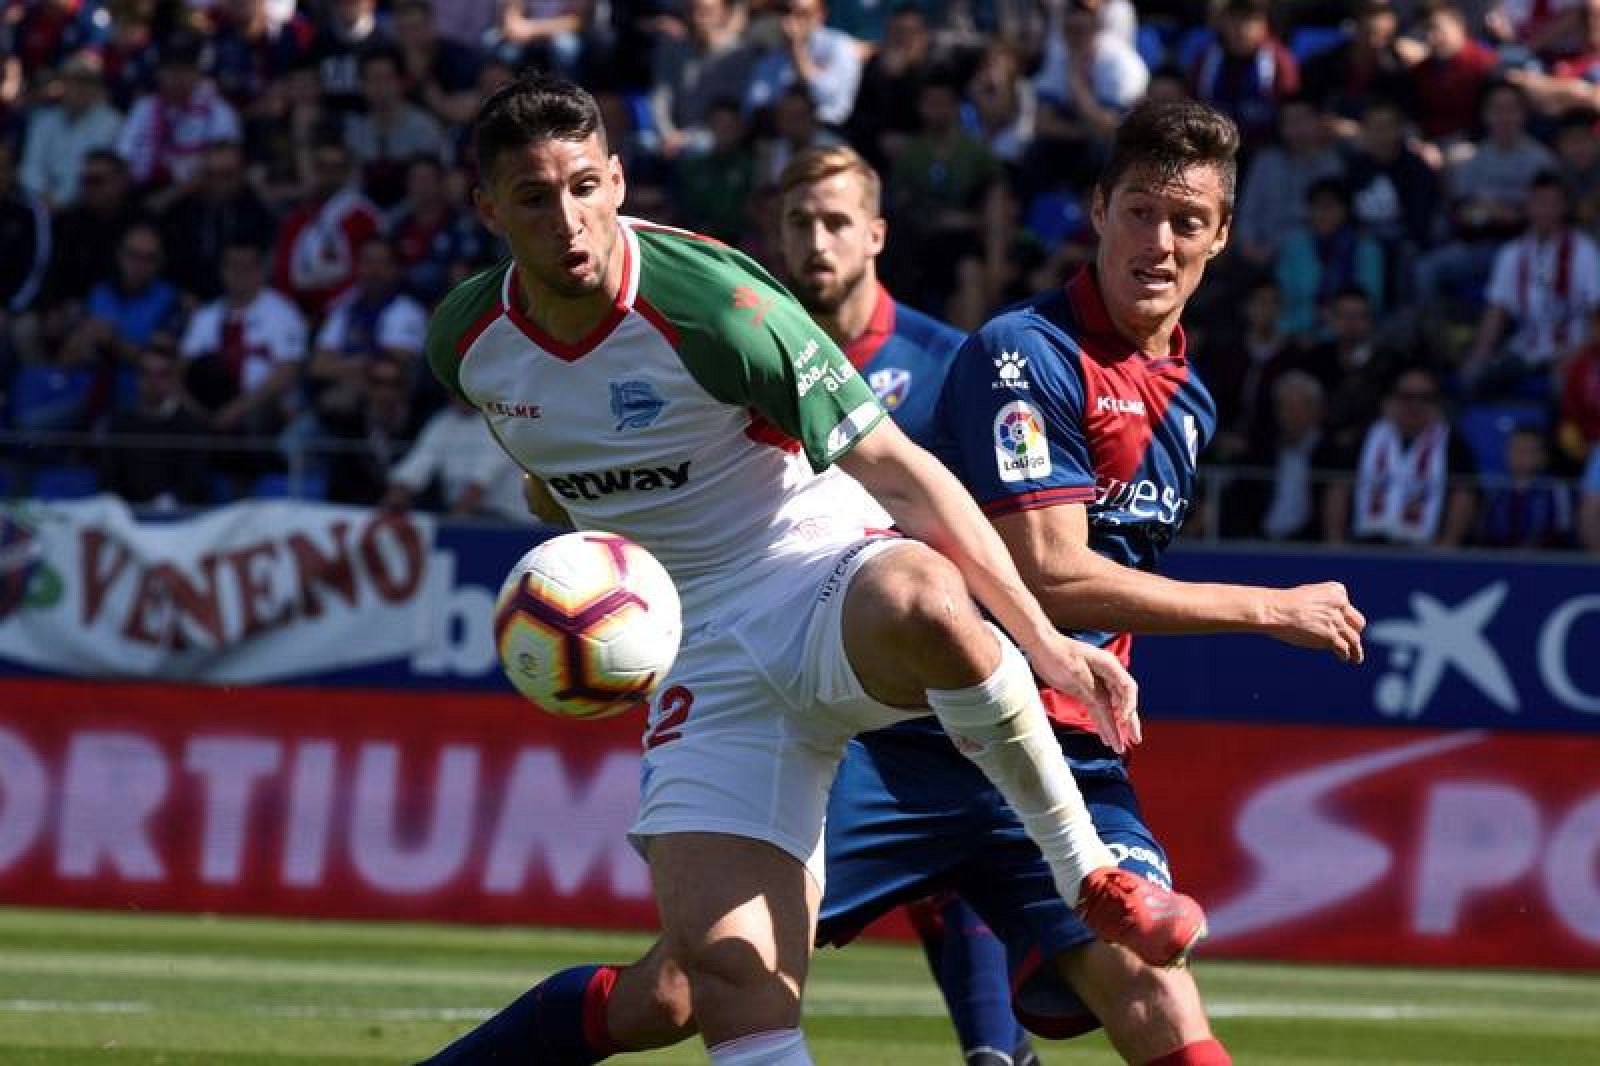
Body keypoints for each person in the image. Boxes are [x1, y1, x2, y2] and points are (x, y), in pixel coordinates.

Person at [424, 97, 1368, 1066]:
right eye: (1139, 211)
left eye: (584, 189)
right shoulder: (1016, 352)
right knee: (702, 984)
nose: (568, 220)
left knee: (1151, 990)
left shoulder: (1169, 388)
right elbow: (1046, 568)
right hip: (881, 717)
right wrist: (1255, 609)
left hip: (999, 703)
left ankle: (1046, 951)